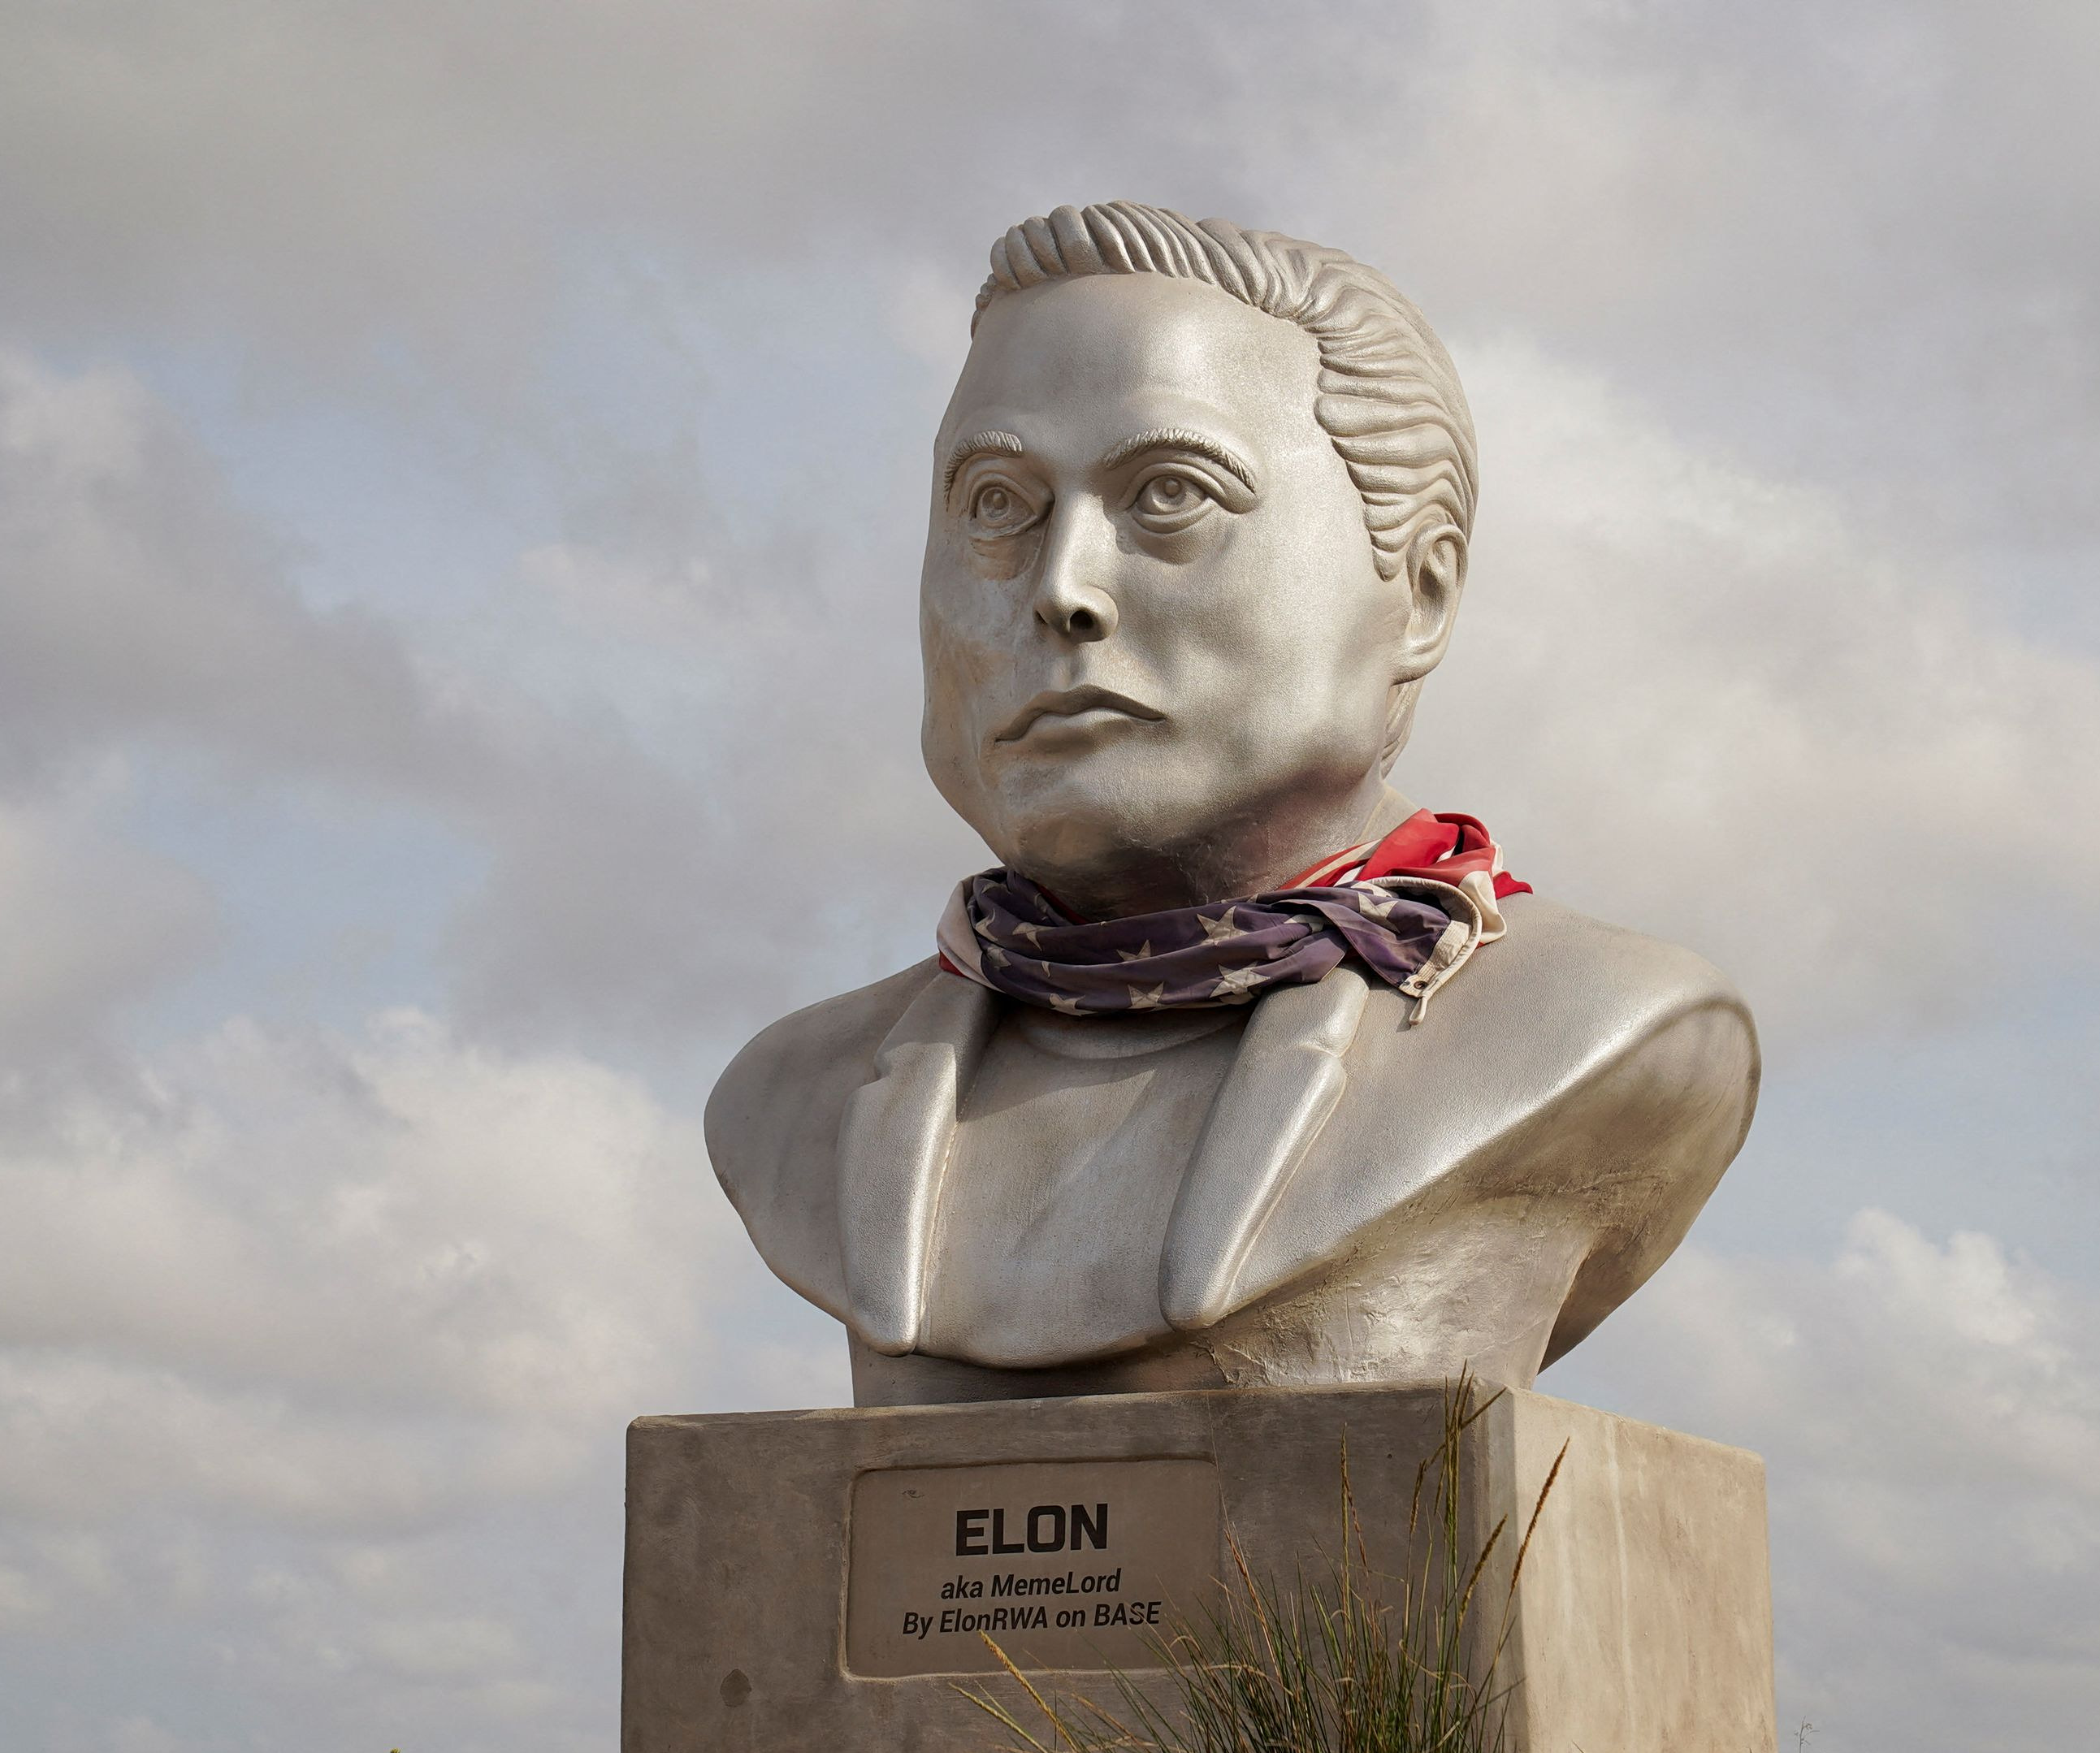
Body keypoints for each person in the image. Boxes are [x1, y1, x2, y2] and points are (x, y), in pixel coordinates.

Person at [708, 203, 1756, 1405]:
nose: (1062, 589)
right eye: (997, 503)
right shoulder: (786, 1099)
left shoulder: (1615, 1030)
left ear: (1419, 595)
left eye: (1169, 494)